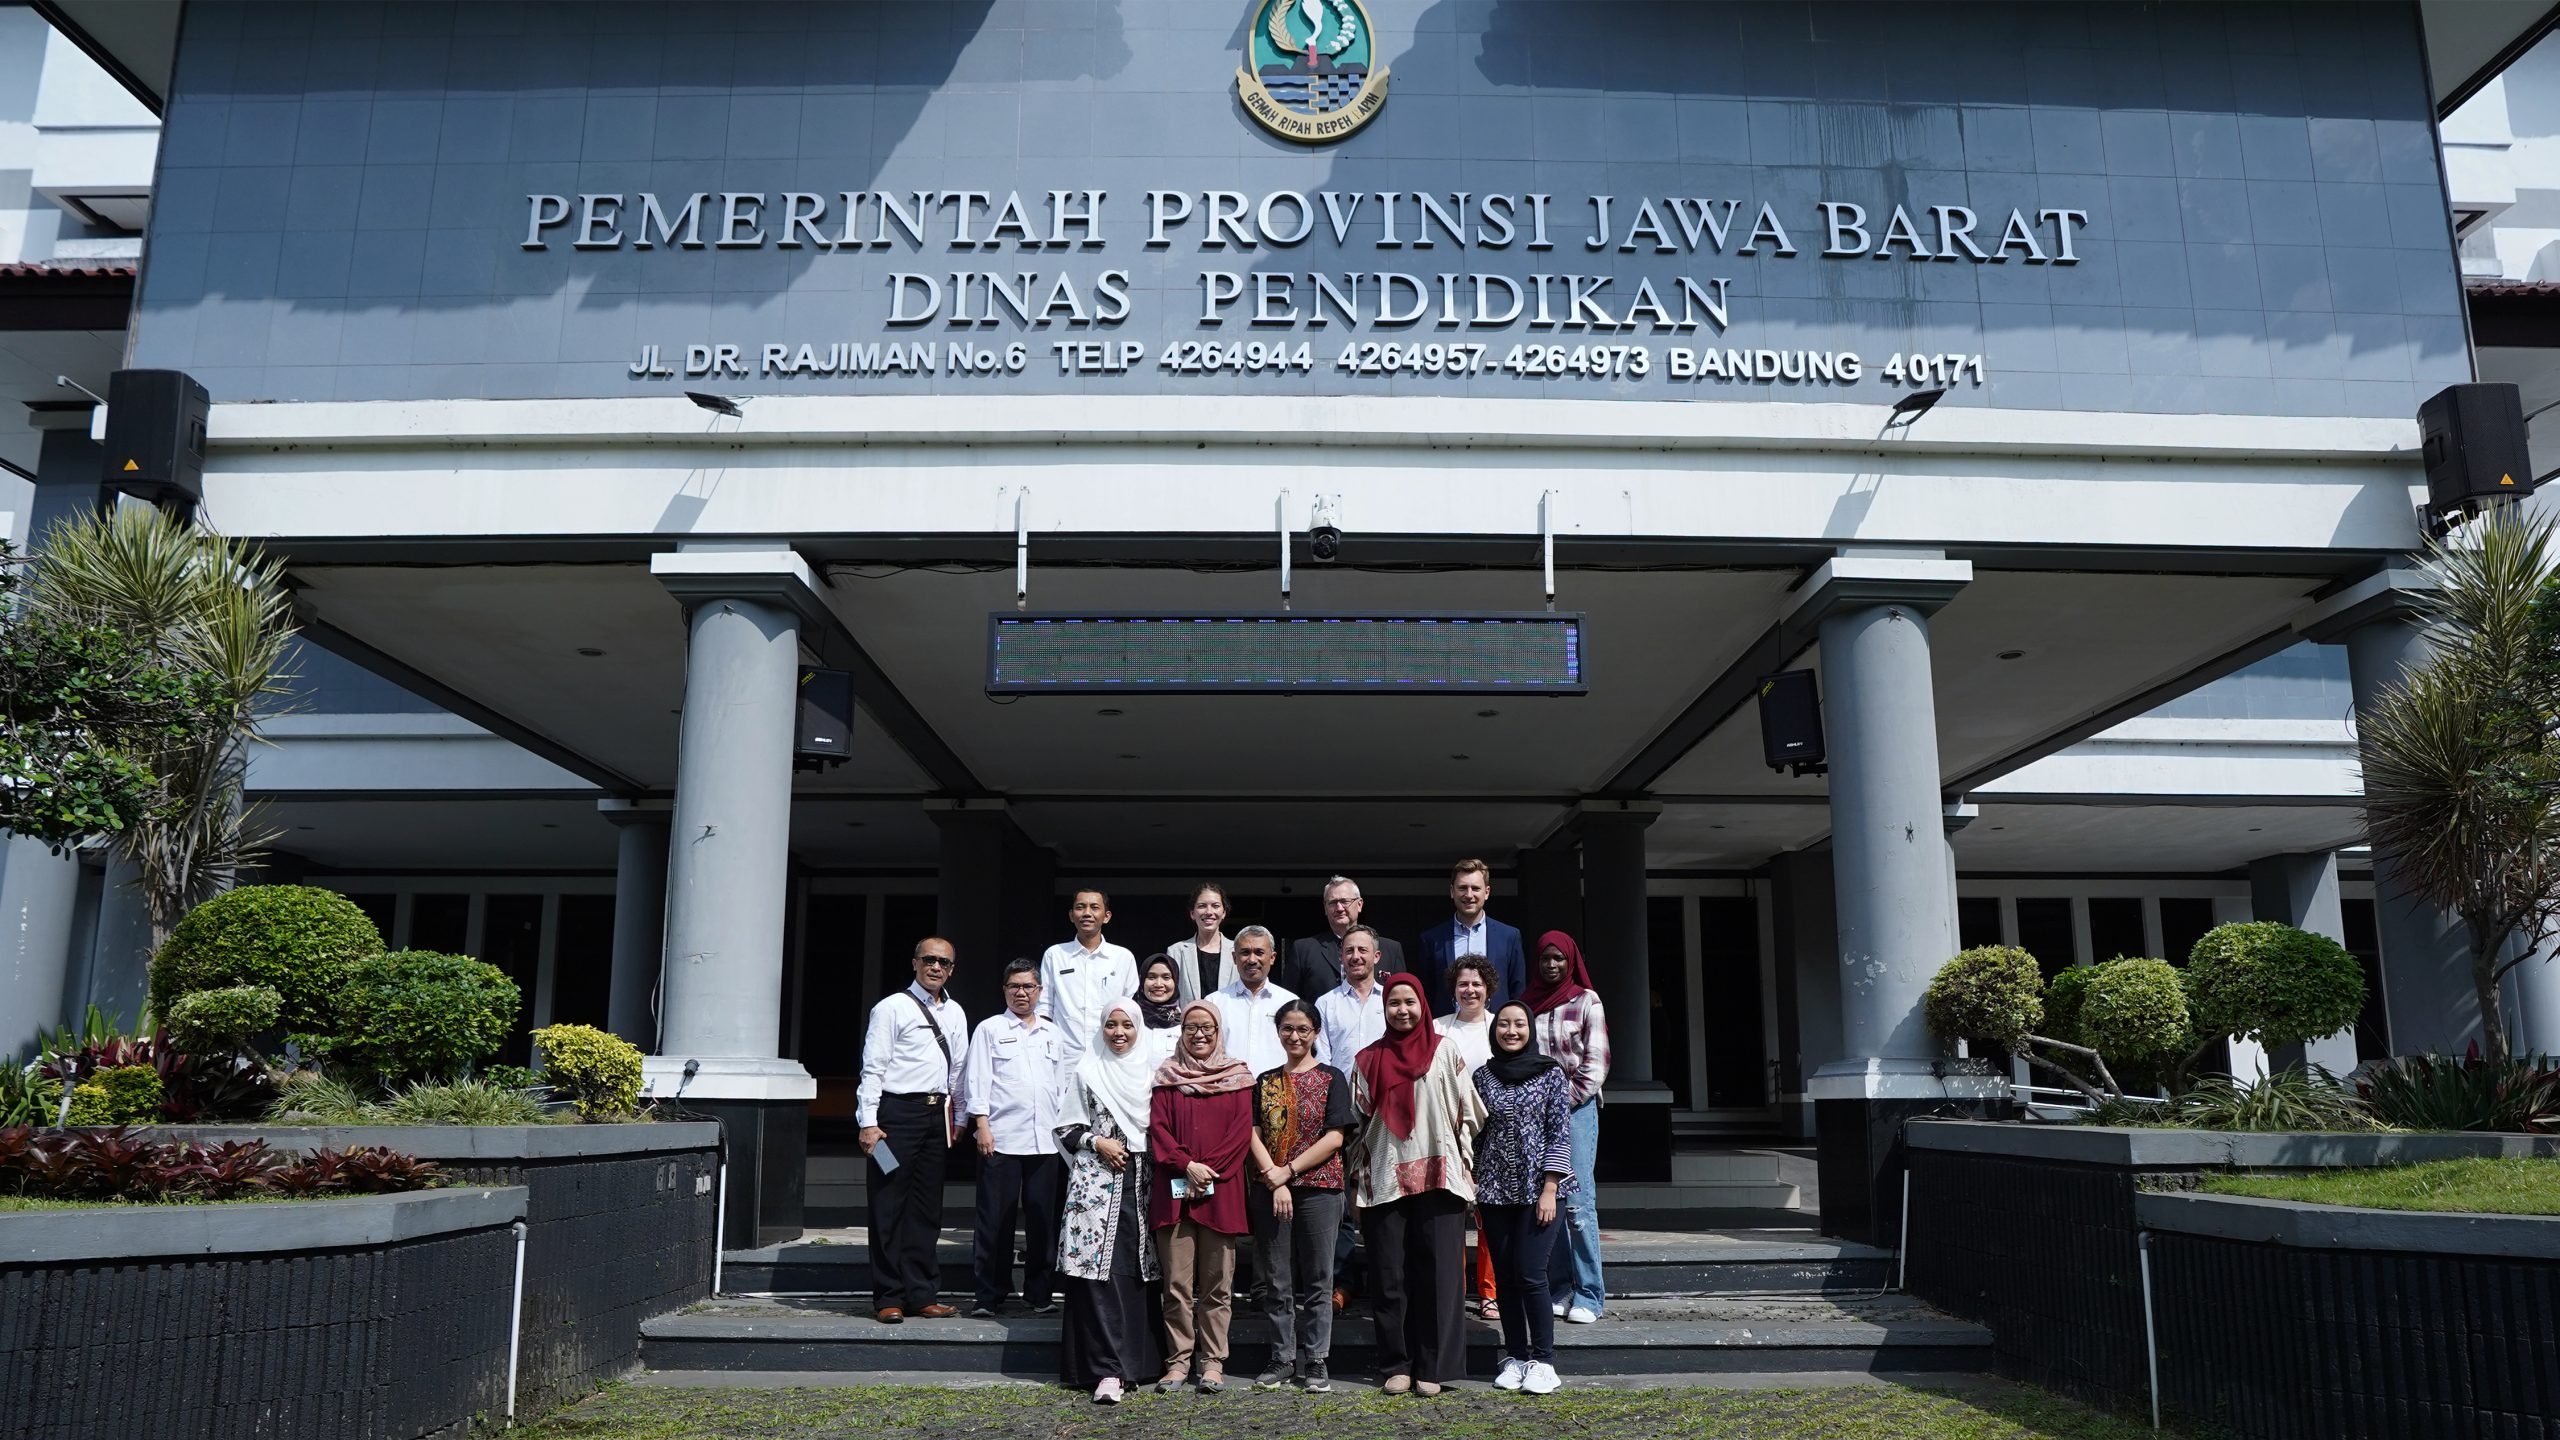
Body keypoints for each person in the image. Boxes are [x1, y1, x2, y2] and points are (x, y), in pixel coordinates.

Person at [1347, 973, 1487, 1396]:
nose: (1402, 1010)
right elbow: (1355, 1123)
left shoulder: (1446, 1051)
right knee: (1390, 1278)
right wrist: (1358, 1174)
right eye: (1394, 1003)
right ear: (1384, 1009)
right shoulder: (1367, 1059)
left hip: (1439, 1179)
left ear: (1422, 1004)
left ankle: (1433, 1366)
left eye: (1410, 1001)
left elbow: (1470, 1111)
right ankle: (1397, 1364)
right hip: (1384, 1180)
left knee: (1440, 1278)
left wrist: (1457, 1156)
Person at [1056, 998, 1163, 1405]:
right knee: (1097, 1276)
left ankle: (1138, 1364)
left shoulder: (1153, 1072)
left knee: (1138, 1272)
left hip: (1144, 1182)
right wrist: (1096, 1140)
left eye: (1127, 1025)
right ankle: (1106, 1371)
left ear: (1139, 1029)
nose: (1118, 1033)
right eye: (1111, 1025)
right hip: (1096, 1186)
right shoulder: (1087, 1069)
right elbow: (1065, 1125)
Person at [855, 937, 967, 1324]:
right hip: (895, 1117)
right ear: (915, 963)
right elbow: (873, 1068)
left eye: (944, 962)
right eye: (930, 960)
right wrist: (868, 1122)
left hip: (936, 1118)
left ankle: (922, 1294)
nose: (937, 967)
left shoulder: (955, 1012)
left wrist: (960, 1118)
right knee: (888, 1205)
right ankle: (888, 1296)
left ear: (952, 969)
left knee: (925, 1209)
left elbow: (958, 1071)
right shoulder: (891, 1008)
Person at [1246, 998, 1353, 1393]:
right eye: (1287, 1029)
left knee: (1319, 1278)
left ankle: (1317, 1360)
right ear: (1278, 1032)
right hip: (1272, 1189)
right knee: (1277, 1278)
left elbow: (1336, 1136)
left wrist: (1287, 1172)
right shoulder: (1265, 1080)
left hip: (1320, 1189)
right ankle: (1282, 1357)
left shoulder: (1331, 1078)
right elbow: (1252, 1131)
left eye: (1302, 1029)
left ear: (1315, 1033)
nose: (1294, 1036)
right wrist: (1275, 1180)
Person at [1148, 1002, 1256, 1393]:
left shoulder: (1238, 1076)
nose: (1199, 1034)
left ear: (1218, 1029)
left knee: (1217, 1286)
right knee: (1176, 1285)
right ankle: (1177, 1363)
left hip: (1220, 1194)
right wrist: (1186, 1165)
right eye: (1191, 1027)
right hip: (1175, 1194)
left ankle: (1212, 1364)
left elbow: (1240, 1133)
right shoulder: (1166, 1076)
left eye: (1207, 1027)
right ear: (1181, 1031)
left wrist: (1204, 1170)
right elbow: (1158, 1130)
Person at [1473, 1001, 1576, 1396]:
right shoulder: (1484, 1075)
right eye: (1503, 1024)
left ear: (1530, 1029)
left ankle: (1544, 1360)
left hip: (1541, 1192)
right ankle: (1516, 1356)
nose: (1511, 1031)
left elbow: (1559, 1132)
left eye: (1519, 1024)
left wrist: (1550, 1188)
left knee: (1532, 1274)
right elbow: (1477, 1134)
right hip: (1495, 1192)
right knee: (1507, 1278)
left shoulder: (1551, 1073)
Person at [961, 958, 1065, 1318]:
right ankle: (989, 1295)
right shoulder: (989, 1029)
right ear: (1004, 990)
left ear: (1039, 991)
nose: (1021, 993)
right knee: (995, 1220)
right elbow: (976, 1080)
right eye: (1014, 987)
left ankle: (1039, 1294)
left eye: (1028, 987)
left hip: (1045, 1143)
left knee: (1043, 1221)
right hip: (1001, 1139)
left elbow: (1062, 1085)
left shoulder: (1052, 1033)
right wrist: (982, 1125)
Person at [1527, 930, 1612, 1324]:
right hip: (1536, 1113)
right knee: (1549, 1203)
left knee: (1577, 1201)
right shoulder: (1528, 1002)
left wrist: (1561, 1102)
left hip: (1576, 1109)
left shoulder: (1586, 1000)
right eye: (1545, 958)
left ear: (1570, 960)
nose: (1551, 964)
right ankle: (1561, 1288)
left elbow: (1596, 1064)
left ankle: (1590, 1294)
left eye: (1558, 958)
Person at [1314, 925, 1389, 1310]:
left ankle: (1384, 1281)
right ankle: (1341, 1284)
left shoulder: (1390, 1001)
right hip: (1342, 1112)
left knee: (1383, 1201)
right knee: (1341, 1203)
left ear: (1377, 956)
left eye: (1363, 950)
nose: (1356, 956)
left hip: (1386, 1115)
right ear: (1341, 957)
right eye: (1349, 951)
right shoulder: (1326, 1004)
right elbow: (1325, 1063)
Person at [1433, 955, 1499, 1320]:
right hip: (1447, 1132)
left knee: (1489, 1214)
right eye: (1463, 984)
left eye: (1476, 983)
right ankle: (1453, 1288)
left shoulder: (1500, 1025)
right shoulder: (1439, 1028)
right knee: (1451, 1213)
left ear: (1488, 988)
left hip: (1492, 1133)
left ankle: (1490, 1291)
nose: (1469, 990)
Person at [1039, 888, 1138, 1067]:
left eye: (1094, 907)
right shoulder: (1055, 954)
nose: (1087, 913)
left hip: (1110, 1055)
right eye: (1080, 907)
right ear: (1071, 915)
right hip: (1064, 1056)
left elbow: (1132, 1011)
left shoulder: (1123, 957)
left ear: (1106, 916)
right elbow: (1044, 1008)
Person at [1417, 858, 1525, 1014]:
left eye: (1475, 888)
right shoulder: (1431, 939)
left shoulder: (1509, 936)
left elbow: (1518, 989)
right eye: (1462, 888)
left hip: (1494, 1029)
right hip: (1446, 1029)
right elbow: (1426, 992)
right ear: (1452, 891)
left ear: (1486, 892)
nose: (1469, 895)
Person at [1285, 875, 1407, 998]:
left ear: (1359, 905)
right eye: (1332, 902)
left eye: (1345, 901)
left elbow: (1402, 998)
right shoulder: (1304, 950)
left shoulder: (1391, 949)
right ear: (1325, 908)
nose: (1339, 908)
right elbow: (1291, 1002)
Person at [1205, 926, 1297, 1075]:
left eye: (1259, 952)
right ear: (1234, 958)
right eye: (1245, 953)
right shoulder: (1214, 1002)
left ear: (1272, 957)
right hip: (1228, 1090)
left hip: (1277, 1091)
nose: (1252, 960)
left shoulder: (1290, 1003)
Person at [1166, 881, 1236, 1006]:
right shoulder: (1176, 951)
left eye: (1215, 906)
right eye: (1202, 906)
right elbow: (1170, 997)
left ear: (1224, 913)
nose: (1209, 912)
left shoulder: (1237, 950)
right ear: (1192, 913)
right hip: (1189, 1023)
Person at [1133, 953, 1185, 1067]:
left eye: (1166, 977)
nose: (1158, 984)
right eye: (1151, 977)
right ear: (1142, 981)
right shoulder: (1130, 1019)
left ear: (1175, 981)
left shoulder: (1185, 1022)